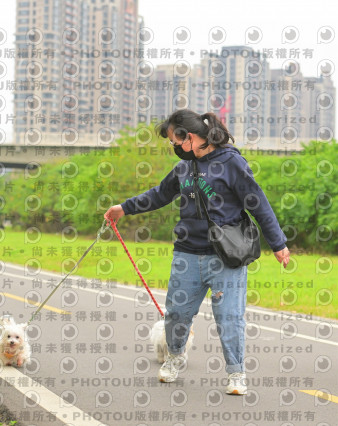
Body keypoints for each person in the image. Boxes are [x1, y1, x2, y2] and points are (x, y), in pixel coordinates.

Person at [104, 110, 290, 394]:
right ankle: (175, 356)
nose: (174, 146)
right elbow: (159, 194)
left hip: (225, 256)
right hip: (187, 254)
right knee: (176, 314)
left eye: (174, 141)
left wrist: (278, 243)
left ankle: (236, 373)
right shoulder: (184, 168)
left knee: (229, 317)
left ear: (188, 136)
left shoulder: (232, 163)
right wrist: (124, 208)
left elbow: (258, 203)